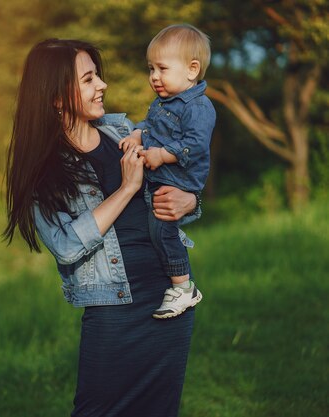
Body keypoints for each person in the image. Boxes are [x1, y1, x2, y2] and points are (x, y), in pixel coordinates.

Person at [4, 38, 200, 417]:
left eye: (98, 76)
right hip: (114, 307)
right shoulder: (42, 165)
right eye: (89, 79)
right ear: (57, 97)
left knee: (160, 409)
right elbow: (64, 245)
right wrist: (127, 188)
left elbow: (180, 187)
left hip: (170, 294)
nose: (102, 86)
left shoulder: (123, 130)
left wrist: (191, 201)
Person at [119, 24, 216, 319]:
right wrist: (137, 133)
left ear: (192, 69)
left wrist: (162, 154)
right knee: (155, 228)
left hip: (179, 178)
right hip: (161, 176)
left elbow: (195, 145)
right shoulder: (163, 103)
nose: (154, 77)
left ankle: (183, 287)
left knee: (162, 231)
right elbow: (151, 125)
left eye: (162, 68)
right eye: (151, 69)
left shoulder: (198, 107)